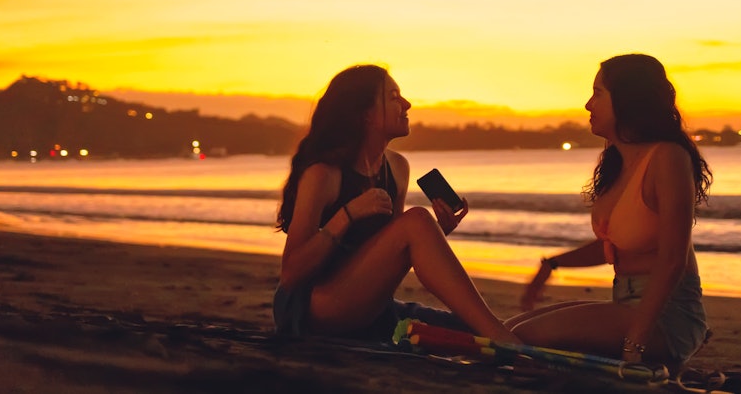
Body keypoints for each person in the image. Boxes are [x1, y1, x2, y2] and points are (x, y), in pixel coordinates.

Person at [273, 64, 518, 344]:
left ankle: (508, 335)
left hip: (371, 309)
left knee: (475, 327)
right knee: (416, 221)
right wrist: (347, 216)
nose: (407, 104)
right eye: (393, 97)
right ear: (365, 115)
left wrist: (436, 234)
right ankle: (505, 341)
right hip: (313, 309)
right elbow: (291, 276)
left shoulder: (397, 168)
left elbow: (387, 256)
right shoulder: (324, 175)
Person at [505, 54, 712, 366]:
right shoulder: (618, 160)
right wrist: (552, 265)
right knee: (507, 330)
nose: (588, 105)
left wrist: (635, 343)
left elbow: (672, 260)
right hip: (628, 305)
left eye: (598, 93)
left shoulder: (668, 159)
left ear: (628, 99)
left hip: (667, 317)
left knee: (523, 338)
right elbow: (616, 246)